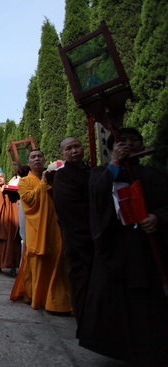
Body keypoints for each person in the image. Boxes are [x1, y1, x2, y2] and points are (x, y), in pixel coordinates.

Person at [79, 128, 168, 364]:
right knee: (115, 300)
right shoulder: (102, 173)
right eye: (122, 141)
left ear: (142, 144)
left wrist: (158, 217)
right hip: (116, 245)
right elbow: (97, 198)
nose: (128, 145)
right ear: (111, 147)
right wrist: (115, 163)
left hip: (146, 245)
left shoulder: (155, 173)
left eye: (133, 140)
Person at [11, 149, 72, 313]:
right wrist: (44, 183)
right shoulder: (24, 182)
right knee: (38, 263)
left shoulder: (55, 178)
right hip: (36, 228)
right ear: (28, 162)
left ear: (45, 160)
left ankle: (57, 301)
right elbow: (29, 200)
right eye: (33, 157)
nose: (37, 159)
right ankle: (37, 296)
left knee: (57, 262)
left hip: (55, 227)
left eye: (39, 156)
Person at [52, 137, 93, 336]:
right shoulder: (62, 176)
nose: (74, 151)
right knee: (81, 280)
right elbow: (69, 208)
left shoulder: (92, 171)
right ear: (63, 154)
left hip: (97, 235)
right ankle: (85, 324)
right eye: (69, 148)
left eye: (77, 146)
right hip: (77, 237)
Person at [0, 172, 21, 276]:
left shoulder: (11, 191)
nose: (0, 179)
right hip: (0, 223)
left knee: (13, 243)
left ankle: (13, 267)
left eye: (1, 177)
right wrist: (1, 192)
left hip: (12, 221)